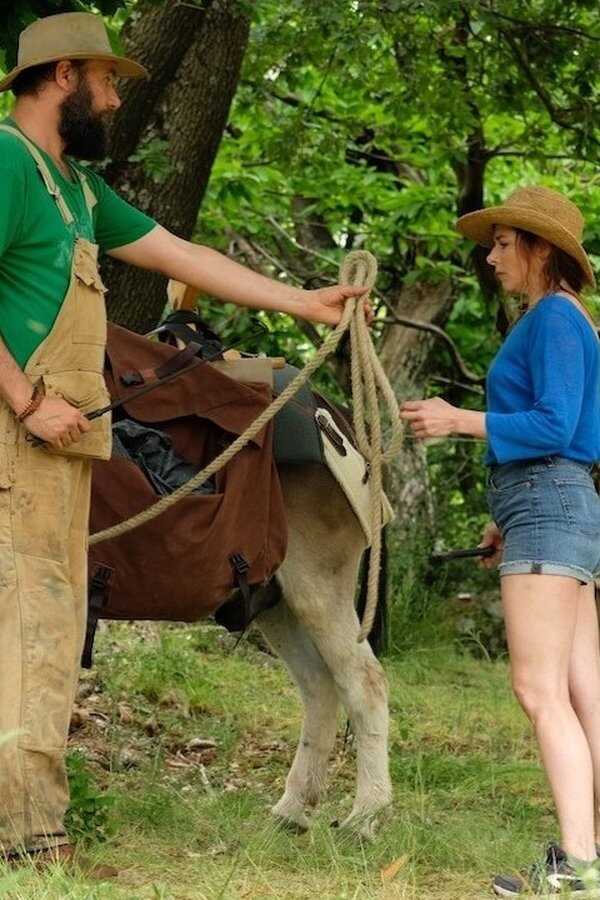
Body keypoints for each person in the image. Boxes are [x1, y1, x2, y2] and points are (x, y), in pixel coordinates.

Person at [0, 12, 367, 869]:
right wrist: (23, 402)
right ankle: (26, 837)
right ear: (64, 77)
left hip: (60, 451)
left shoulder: (75, 188)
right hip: (22, 445)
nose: (118, 95)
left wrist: (298, 302)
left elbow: (179, 252)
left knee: (47, 627)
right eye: (108, 81)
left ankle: (33, 828)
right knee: (28, 630)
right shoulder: (8, 163)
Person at [400, 185, 600, 896]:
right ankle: (589, 860)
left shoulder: (553, 317)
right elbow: (565, 438)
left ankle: (577, 868)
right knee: (582, 694)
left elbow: (553, 425)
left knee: (539, 689)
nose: (491, 257)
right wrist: (503, 518)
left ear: (541, 249)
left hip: (550, 502)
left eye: (503, 244)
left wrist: (459, 419)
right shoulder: (561, 320)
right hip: (548, 505)